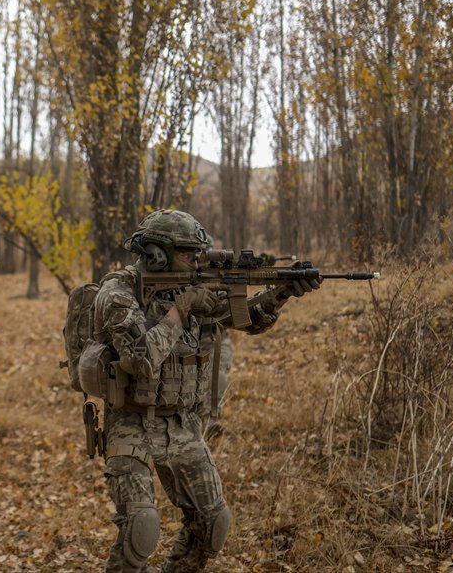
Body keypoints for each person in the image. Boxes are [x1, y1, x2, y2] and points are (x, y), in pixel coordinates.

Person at [94, 209, 319, 572]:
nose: (198, 260)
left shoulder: (192, 284)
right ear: (157, 253)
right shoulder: (119, 292)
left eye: (200, 253)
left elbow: (247, 320)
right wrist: (181, 311)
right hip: (131, 421)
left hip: (182, 423)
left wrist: (281, 294)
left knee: (212, 523)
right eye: (188, 253)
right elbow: (139, 359)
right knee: (141, 529)